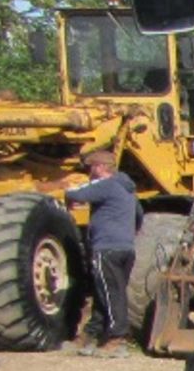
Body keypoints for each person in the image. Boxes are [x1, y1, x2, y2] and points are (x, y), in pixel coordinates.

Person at [47, 150, 139, 356]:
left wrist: (65, 193)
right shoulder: (128, 190)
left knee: (111, 294)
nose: (90, 172)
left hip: (107, 248)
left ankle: (117, 340)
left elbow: (76, 193)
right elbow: (139, 216)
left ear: (100, 167)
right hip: (126, 248)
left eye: (91, 168)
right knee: (104, 293)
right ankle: (92, 334)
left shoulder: (105, 185)